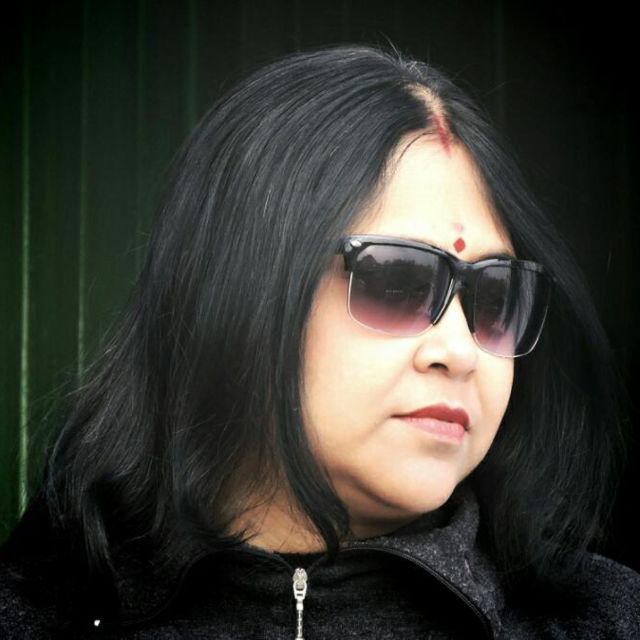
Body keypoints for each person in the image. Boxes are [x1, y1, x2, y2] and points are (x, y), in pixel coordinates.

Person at [1, 43, 639, 639]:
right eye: (397, 280)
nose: (460, 352)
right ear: (243, 286)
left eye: (497, 298)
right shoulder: (33, 616)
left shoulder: (607, 621)